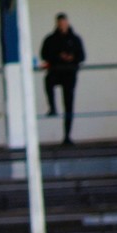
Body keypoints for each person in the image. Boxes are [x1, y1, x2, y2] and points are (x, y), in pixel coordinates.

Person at [40, 12, 86, 146]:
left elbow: (82, 56)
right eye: (60, 24)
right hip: (56, 71)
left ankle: (67, 136)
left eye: (64, 23)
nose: (62, 26)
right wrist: (58, 57)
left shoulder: (75, 39)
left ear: (67, 23)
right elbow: (44, 54)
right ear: (57, 24)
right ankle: (52, 107)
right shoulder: (51, 39)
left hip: (70, 74)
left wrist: (72, 58)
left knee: (69, 104)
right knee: (48, 81)